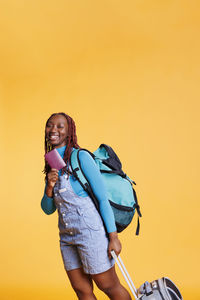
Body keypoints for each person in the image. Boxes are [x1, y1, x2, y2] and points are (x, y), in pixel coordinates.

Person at [41, 112, 131, 300]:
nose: (53, 130)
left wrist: (113, 237)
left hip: (91, 234)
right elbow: (48, 209)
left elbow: (102, 199)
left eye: (60, 126)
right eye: (50, 125)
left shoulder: (81, 157)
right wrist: (49, 187)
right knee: (81, 290)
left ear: (69, 132)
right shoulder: (51, 162)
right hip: (67, 237)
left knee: (108, 285)